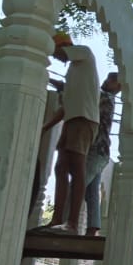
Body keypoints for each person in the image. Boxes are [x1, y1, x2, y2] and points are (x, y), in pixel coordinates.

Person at [33, 33, 102, 234]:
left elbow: (66, 54)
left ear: (65, 46)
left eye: (57, 53)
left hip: (84, 120)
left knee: (77, 167)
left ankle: (72, 223)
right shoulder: (73, 73)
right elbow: (65, 107)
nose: (58, 58)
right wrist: (45, 127)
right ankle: (57, 219)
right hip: (73, 121)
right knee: (61, 167)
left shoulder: (84, 54)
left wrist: (48, 48)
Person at [79, 71, 122, 236]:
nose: (106, 82)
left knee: (77, 186)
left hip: (96, 150)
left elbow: (85, 95)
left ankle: (64, 221)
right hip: (100, 152)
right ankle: (92, 227)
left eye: (111, 81)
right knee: (91, 191)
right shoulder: (108, 98)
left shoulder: (104, 97)